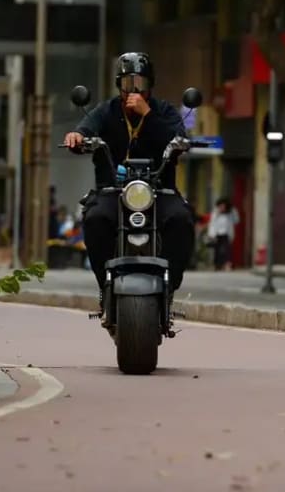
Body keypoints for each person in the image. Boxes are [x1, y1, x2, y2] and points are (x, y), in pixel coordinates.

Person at [62, 52, 196, 307]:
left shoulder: (164, 111)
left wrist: (148, 116)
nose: (133, 90)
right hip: (113, 190)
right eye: (127, 84)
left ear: (150, 86)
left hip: (160, 190)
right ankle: (105, 285)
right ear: (118, 86)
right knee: (95, 218)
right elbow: (86, 127)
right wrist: (77, 136)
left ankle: (169, 286)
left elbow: (177, 137)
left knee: (181, 219)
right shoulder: (107, 110)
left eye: (140, 84)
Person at [206, 197, 239, 271]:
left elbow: (236, 221)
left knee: (227, 250)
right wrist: (211, 234)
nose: (222, 208)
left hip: (226, 234)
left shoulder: (230, 214)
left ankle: (227, 264)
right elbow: (212, 224)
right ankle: (217, 265)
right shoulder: (215, 213)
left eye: (223, 206)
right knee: (217, 250)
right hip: (217, 234)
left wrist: (233, 211)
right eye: (220, 206)